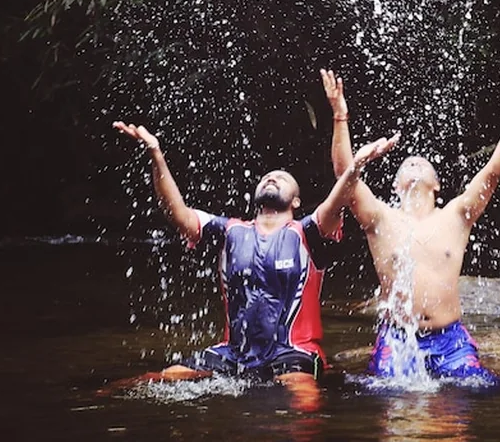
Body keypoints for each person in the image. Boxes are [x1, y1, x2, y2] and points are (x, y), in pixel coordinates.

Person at [110, 119, 399, 400]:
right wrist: (156, 154)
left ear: (296, 201)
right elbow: (178, 213)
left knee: (304, 397)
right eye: (267, 177)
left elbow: (338, 200)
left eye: (282, 179)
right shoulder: (228, 231)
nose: (272, 178)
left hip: (293, 353)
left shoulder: (309, 232)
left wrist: (356, 166)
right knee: (160, 379)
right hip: (233, 351)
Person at [320, 68, 500, 382]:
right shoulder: (379, 217)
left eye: (422, 163)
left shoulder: (457, 214)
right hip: (398, 338)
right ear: (396, 186)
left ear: (437, 185)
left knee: (472, 392)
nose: (414, 162)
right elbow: (344, 175)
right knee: (392, 399)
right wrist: (339, 116)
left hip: (450, 339)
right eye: (407, 164)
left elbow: (494, 169)